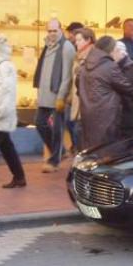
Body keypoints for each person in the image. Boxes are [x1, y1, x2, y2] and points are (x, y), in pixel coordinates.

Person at [77, 36, 133, 148]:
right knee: (106, 152)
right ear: (110, 50)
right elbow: (129, 88)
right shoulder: (109, 66)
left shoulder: (84, 65)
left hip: (87, 114)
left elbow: (78, 85)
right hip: (107, 117)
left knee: (92, 150)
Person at [33, 18, 76, 173]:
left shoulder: (66, 47)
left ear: (61, 29)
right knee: (39, 122)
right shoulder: (47, 46)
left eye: (54, 30)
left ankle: (54, 161)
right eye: (49, 31)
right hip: (45, 95)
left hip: (58, 95)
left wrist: (61, 96)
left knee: (58, 129)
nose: (52, 33)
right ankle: (61, 151)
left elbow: (67, 75)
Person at [0, 34, 26, 188]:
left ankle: (20, 177)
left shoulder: (4, 66)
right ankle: (20, 177)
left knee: (6, 145)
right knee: (6, 146)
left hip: (1, 114)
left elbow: (5, 92)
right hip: (1, 114)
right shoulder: (2, 65)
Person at [66, 28, 96, 153]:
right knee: (78, 132)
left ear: (88, 40)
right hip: (79, 102)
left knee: (81, 134)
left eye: (79, 40)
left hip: (86, 105)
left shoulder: (92, 57)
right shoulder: (79, 56)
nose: (76, 43)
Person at [113, 41, 133, 138]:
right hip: (120, 113)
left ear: (121, 52)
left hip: (129, 113)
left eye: (113, 52)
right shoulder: (115, 67)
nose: (111, 55)